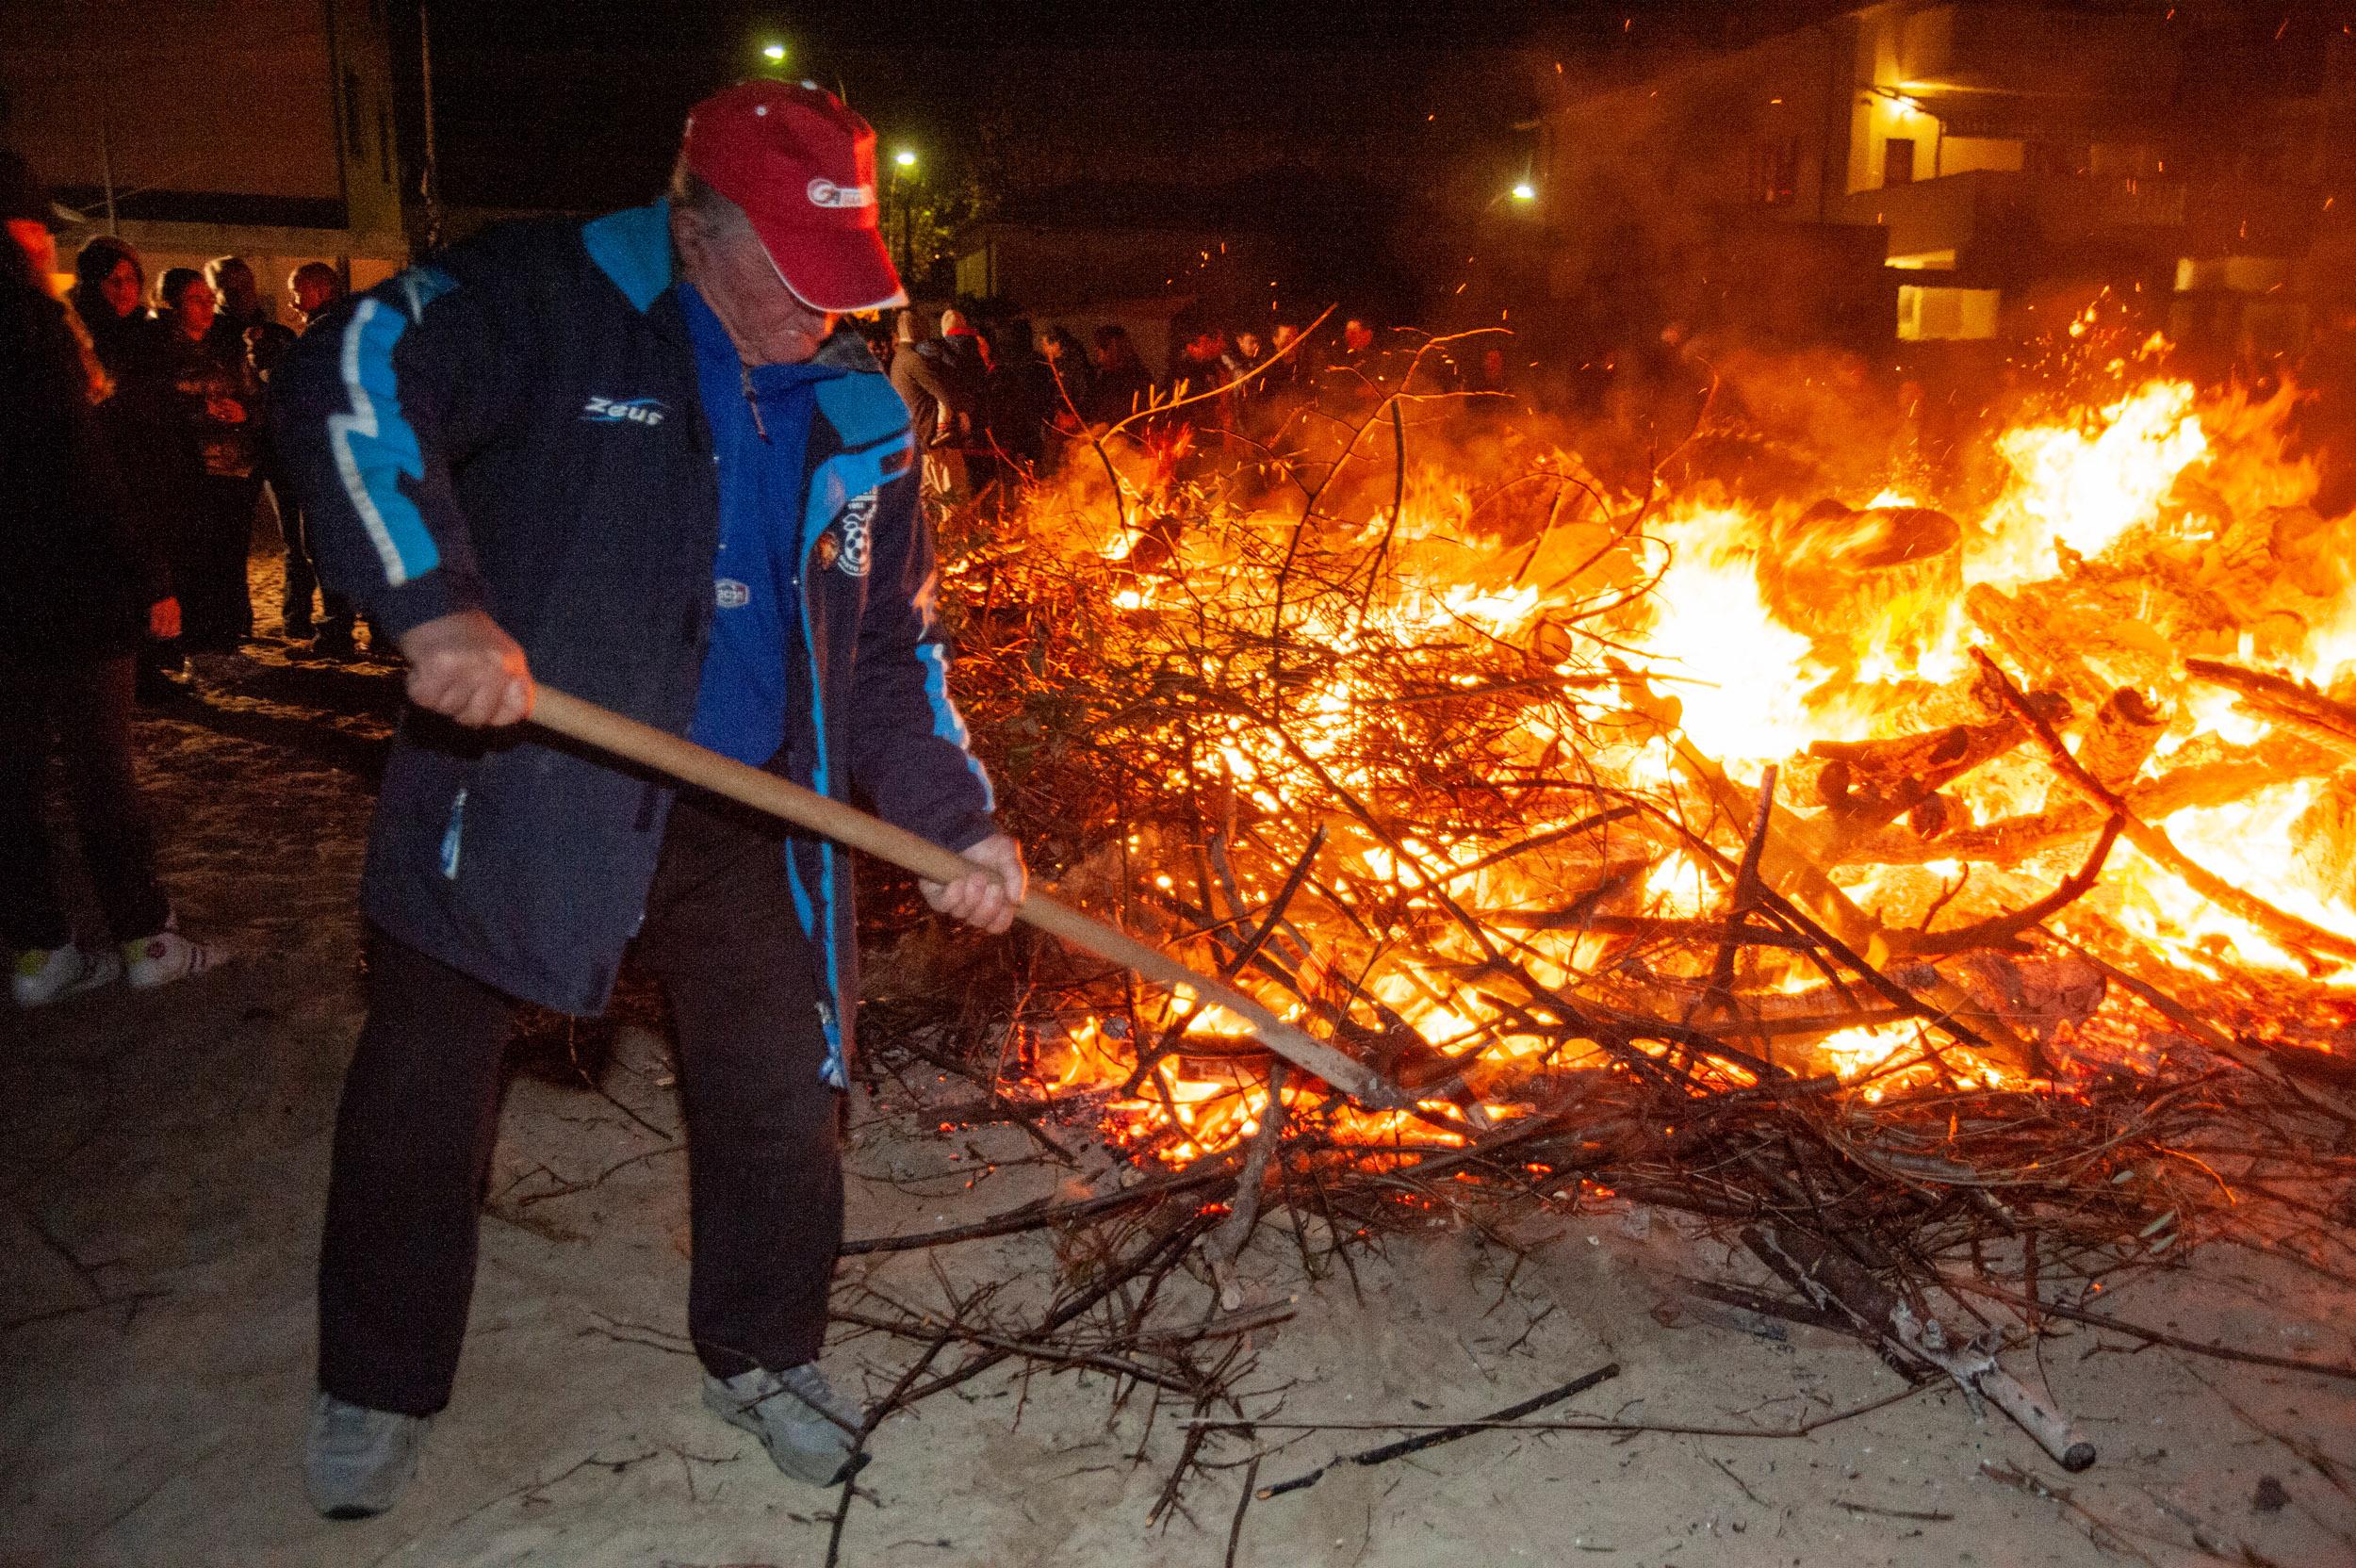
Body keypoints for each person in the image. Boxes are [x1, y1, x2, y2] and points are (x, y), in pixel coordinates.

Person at [271, 81, 1024, 1520]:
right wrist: (434, 608)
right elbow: (351, 376)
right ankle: (375, 1380)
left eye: (847, 285)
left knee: (780, 1100)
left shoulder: (860, 415)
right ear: (699, 224)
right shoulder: (543, 304)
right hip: (526, 783)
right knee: (423, 1096)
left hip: (749, 813)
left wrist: (956, 819)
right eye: (797, 280)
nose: (827, 315)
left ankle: (765, 1352)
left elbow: (892, 650)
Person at [1, 152, 221, 1006]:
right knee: (100, 769)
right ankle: (144, 937)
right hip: (70, 586)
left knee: (11, 773)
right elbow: (83, 472)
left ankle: (39, 951)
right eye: (37, 230)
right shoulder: (32, 327)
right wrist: (149, 574)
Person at [152, 267, 260, 649]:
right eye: (196, 300)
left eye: (209, 299)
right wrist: (200, 409)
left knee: (228, 559)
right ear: (172, 304)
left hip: (232, 467)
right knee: (192, 559)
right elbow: (154, 404)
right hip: (186, 470)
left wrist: (243, 411)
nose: (206, 307)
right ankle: (192, 637)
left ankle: (224, 635)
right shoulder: (158, 350)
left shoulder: (224, 348)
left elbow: (253, 393)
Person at [267, 262, 356, 653]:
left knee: (322, 542)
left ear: (321, 291)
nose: (292, 301)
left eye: (298, 290)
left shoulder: (324, 334)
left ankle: (337, 630)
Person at [1088, 323, 1152, 423]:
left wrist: (1106, 425)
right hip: (1107, 432)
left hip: (1125, 433)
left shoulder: (1135, 376)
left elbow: (1132, 413)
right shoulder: (1104, 375)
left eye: (1100, 348)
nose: (1097, 353)